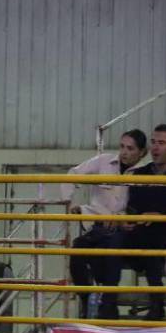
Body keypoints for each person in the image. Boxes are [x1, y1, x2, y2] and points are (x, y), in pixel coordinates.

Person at [103, 125, 166, 320]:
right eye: (153, 142)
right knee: (115, 240)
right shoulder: (140, 174)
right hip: (140, 228)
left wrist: (160, 215)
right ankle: (108, 303)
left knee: (152, 241)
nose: (156, 148)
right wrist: (129, 219)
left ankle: (157, 304)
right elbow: (133, 204)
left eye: (161, 143)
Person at [61, 129, 147, 317]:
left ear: (141, 152)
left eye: (130, 148)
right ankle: (87, 299)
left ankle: (108, 304)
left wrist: (122, 219)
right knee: (76, 252)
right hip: (96, 226)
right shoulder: (103, 162)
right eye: (122, 146)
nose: (124, 152)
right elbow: (72, 175)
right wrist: (71, 203)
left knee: (112, 250)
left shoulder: (144, 172)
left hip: (124, 229)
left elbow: (141, 205)